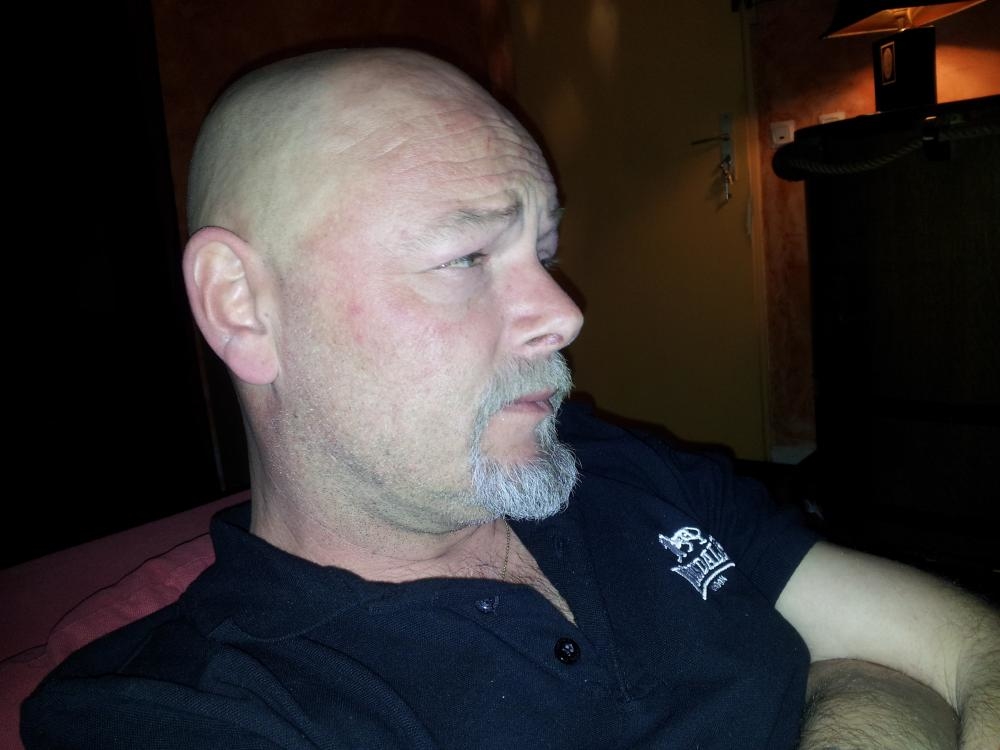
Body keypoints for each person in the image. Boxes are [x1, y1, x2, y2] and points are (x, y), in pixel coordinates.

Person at [22, 48, 999, 749]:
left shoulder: (614, 464)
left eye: (542, 250)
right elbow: (907, 671)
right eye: (466, 256)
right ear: (242, 305)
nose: (563, 315)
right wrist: (864, 687)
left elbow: (968, 646)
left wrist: (868, 682)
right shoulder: (187, 712)